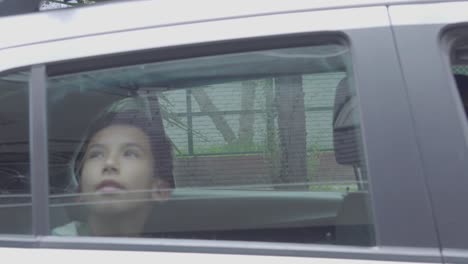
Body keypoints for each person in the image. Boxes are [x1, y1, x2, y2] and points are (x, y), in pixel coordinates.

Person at [52, 95, 174, 236]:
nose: (109, 163)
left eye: (130, 154)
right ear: (80, 191)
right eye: (96, 154)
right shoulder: (53, 250)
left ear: (160, 190)